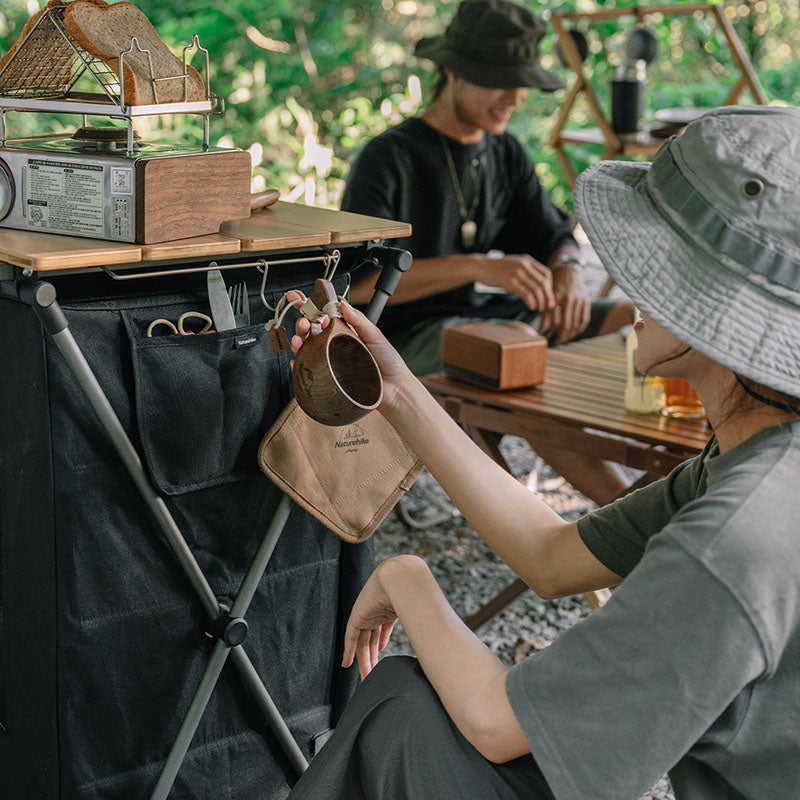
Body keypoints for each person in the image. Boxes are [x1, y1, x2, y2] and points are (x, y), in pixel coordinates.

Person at [288, 105, 800, 799]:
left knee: (403, 714)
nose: (620, 274)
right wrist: (399, 388)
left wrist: (408, 579)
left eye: (659, 261)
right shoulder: (754, 460)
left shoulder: (738, 537)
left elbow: (499, 721)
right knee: (407, 704)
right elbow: (554, 556)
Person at [342, 0, 635, 504]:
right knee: (522, 363)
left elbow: (553, 236)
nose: (516, 96)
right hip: (406, 338)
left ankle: (664, 483)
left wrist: (566, 270)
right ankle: (628, 526)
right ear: (452, 71)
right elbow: (358, 287)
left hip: (495, 324)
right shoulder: (389, 158)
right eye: (501, 80)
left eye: (521, 82)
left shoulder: (506, 152)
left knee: (629, 318)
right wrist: (481, 267)